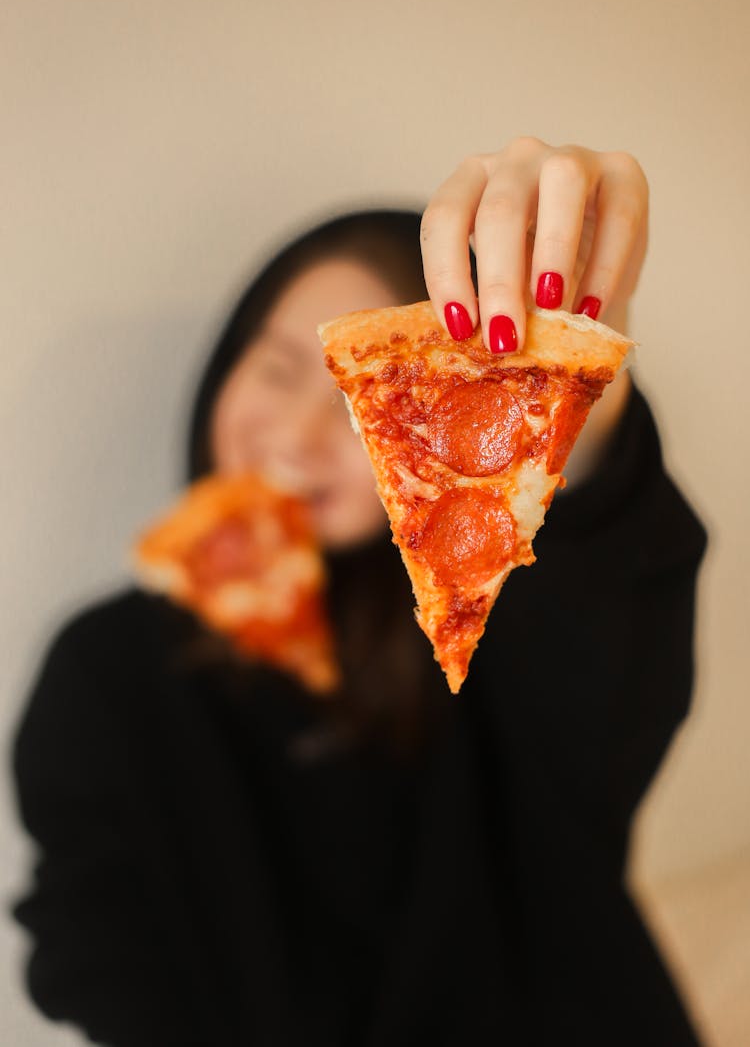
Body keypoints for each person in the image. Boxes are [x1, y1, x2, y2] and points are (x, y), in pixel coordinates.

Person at [11, 138, 707, 1046]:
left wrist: (569, 401)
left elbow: (608, 687)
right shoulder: (101, 667)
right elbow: (82, 931)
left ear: (434, 436)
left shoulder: (485, 615)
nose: (298, 434)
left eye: (358, 398)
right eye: (275, 365)